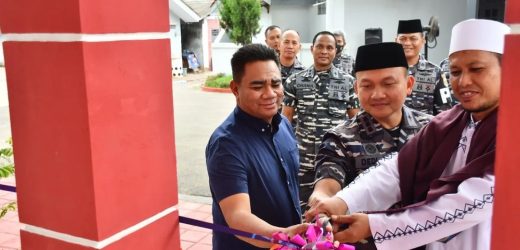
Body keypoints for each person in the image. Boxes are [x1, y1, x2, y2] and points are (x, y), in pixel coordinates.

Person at [307, 19, 510, 250]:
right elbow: (397, 170)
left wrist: (376, 226)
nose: (463, 81)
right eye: (455, 71)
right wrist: (341, 202)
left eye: (477, 69)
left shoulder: (512, 133)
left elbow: (469, 203)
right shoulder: (449, 123)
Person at [206, 44, 307, 249]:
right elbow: (237, 215)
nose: (270, 94)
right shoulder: (226, 145)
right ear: (235, 89)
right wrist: (282, 236)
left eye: (276, 84)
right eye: (258, 86)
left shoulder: (284, 125)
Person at [308, 42, 432, 207]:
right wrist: (322, 201)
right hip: (364, 232)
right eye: (367, 86)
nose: (377, 95)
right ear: (356, 88)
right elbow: (326, 186)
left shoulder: (432, 129)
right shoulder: (340, 139)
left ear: (409, 84)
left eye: (388, 84)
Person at [282, 31, 360, 213]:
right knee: (301, 210)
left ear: (336, 51)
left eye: (329, 47)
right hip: (304, 160)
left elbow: (356, 121)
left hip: (335, 161)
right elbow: (285, 121)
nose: (324, 51)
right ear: (312, 49)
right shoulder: (295, 80)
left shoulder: (348, 82)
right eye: (320, 46)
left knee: (333, 213)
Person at [396, 19, 454, 115]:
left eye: (413, 38)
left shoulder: (436, 72)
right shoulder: (387, 71)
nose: (407, 43)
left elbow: (446, 112)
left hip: (425, 129)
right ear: (396, 41)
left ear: (423, 41)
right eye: (402, 39)